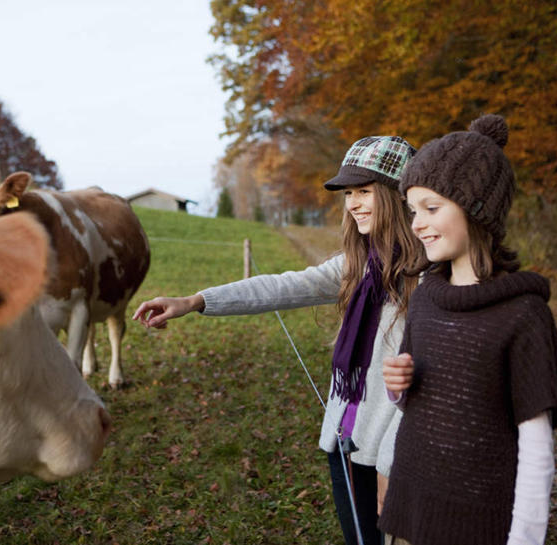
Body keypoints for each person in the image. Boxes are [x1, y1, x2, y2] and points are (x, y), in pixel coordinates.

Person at [133, 136, 424, 545]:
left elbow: (426, 389)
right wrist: (195, 301)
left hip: (390, 458)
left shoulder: (427, 280)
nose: (353, 203)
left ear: (397, 196)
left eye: (365, 192)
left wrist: (392, 466)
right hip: (344, 442)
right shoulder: (359, 265)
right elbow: (281, 288)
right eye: (348, 193)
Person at [380, 114, 557, 545]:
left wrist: (524, 537)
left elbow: (537, 445)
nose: (417, 224)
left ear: (477, 210)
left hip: (479, 522)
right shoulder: (427, 295)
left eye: (432, 208)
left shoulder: (523, 314)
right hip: (411, 509)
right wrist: (397, 384)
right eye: (413, 211)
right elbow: (415, 401)